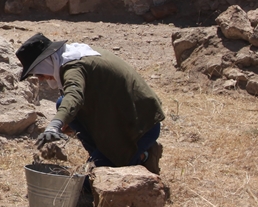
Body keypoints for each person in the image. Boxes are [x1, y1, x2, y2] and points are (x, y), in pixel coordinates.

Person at [16, 33, 165, 173]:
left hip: (140, 126)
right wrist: (68, 120)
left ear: (46, 62)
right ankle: (103, 156)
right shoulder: (75, 55)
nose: (41, 79)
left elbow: (74, 96)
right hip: (123, 117)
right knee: (62, 104)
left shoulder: (73, 67)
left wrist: (55, 124)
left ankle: (141, 156)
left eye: (39, 73)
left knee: (88, 182)